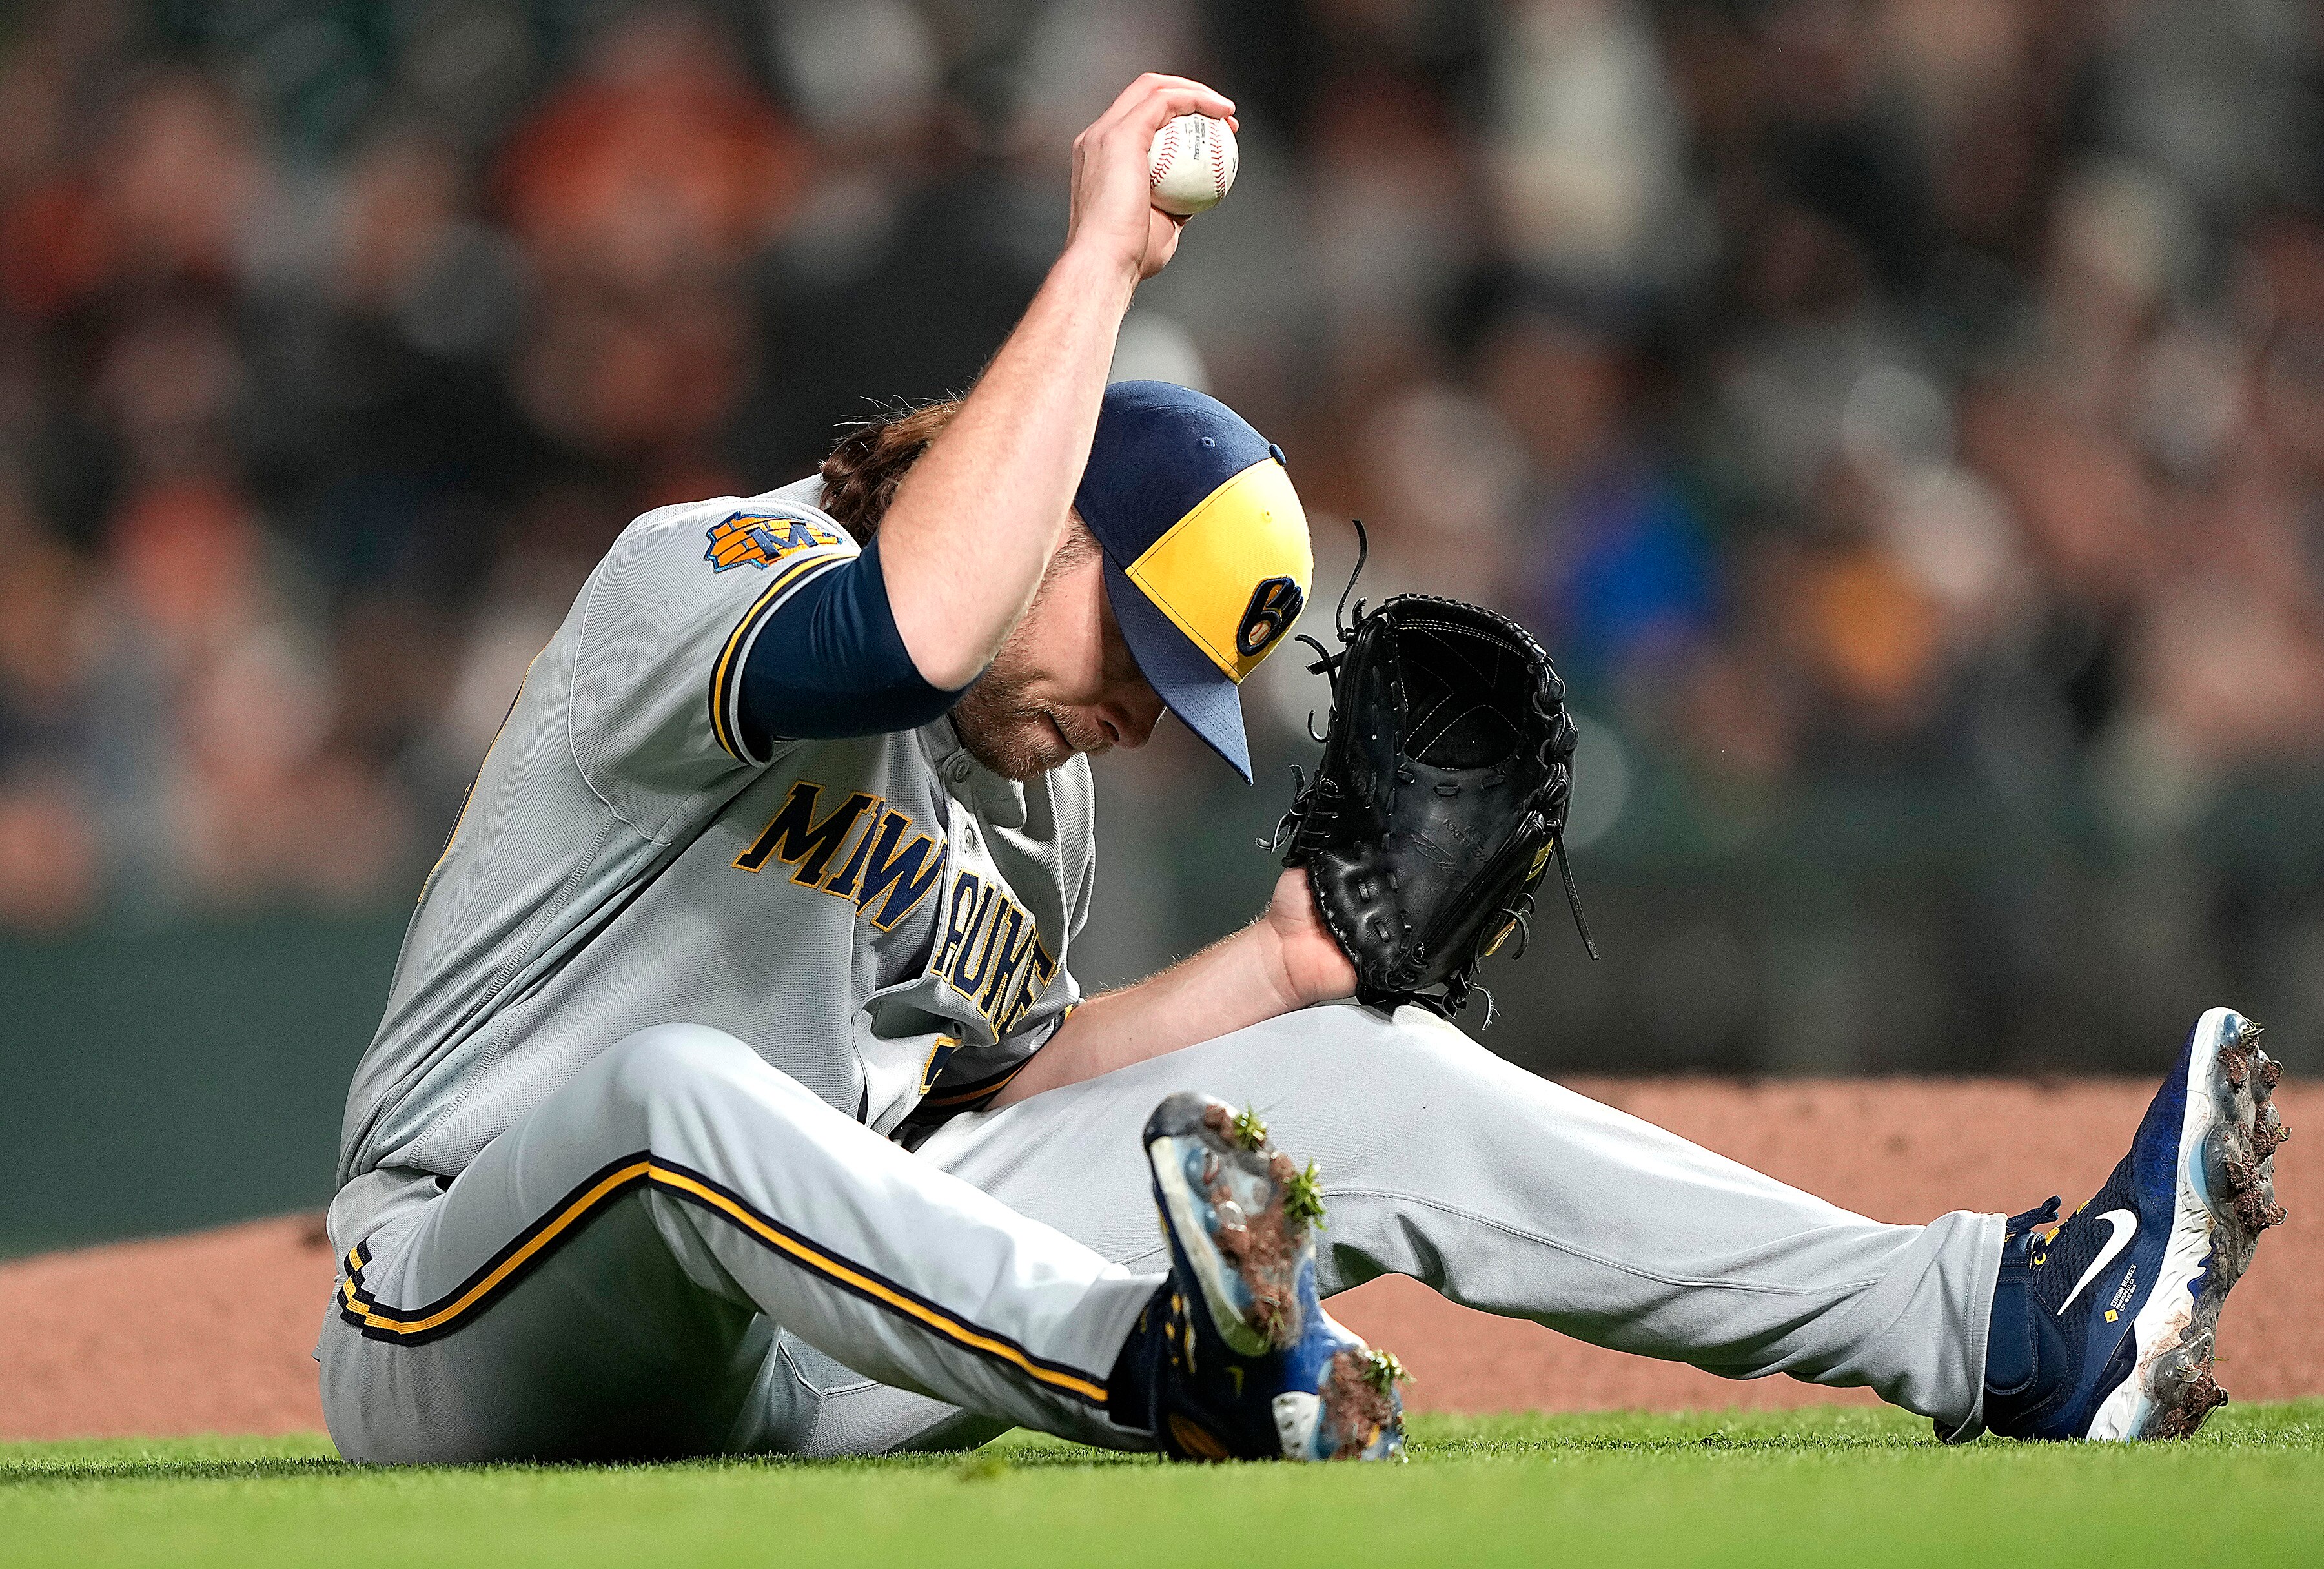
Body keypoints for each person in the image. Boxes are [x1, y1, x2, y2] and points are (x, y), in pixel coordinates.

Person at [319, 76, 2283, 1464]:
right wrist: (1103, 261)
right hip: (468, 1292)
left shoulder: (1035, 796)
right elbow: (910, 632)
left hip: (798, 1338)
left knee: (1355, 1070)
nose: (1132, 721)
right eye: (1135, 651)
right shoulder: (721, 575)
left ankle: (2010, 1325)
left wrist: (1273, 979)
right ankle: (1175, 1368)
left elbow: (943, 1125)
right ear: (1042, 515)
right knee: (684, 1090)